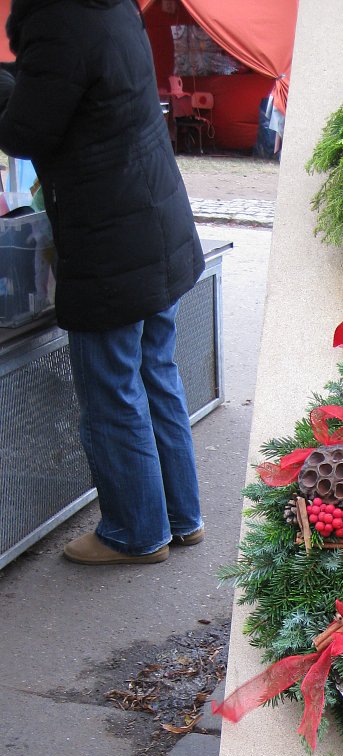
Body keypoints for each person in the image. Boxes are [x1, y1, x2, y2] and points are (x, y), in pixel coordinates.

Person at [0, 0, 205, 565]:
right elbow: (75, 85)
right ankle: (182, 518)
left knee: (112, 391)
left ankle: (134, 534)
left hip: (109, 237)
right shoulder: (110, 6)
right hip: (156, 223)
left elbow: (25, 130)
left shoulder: (57, 16)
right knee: (155, 370)